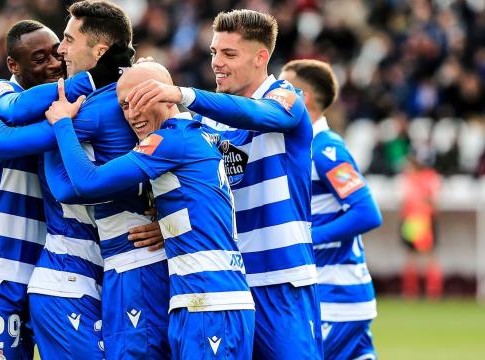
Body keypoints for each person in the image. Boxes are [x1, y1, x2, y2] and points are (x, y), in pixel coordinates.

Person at [0, 2, 170, 358]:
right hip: (77, 274)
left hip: (114, 269)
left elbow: (5, 136)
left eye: (67, 40)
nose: (61, 51)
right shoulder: (118, 97)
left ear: (99, 51)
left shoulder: (89, 108)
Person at [126, 9, 322, 359]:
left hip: (280, 279)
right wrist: (168, 226)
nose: (217, 62)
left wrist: (183, 94)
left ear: (261, 57)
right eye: (214, 52)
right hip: (227, 283)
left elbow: (256, 115)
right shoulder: (202, 121)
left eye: (229, 54)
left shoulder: (287, 98)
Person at [42, 61, 255, 359]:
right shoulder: (201, 134)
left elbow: (87, 183)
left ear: (166, 96)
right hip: (200, 298)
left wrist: (62, 124)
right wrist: (168, 227)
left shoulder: (170, 139)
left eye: (140, 101)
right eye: (124, 105)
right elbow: (202, 205)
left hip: (210, 301)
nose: (132, 114)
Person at [0, 19, 125, 359]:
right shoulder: (1, 93)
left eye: (56, 54)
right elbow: (1, 137)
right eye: (39, 59)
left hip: (34, 272)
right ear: (14, 65)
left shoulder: (62, 110)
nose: (54, 64)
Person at [279, 59, 382, 360]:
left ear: (302, 97)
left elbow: (367, 212)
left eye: (283, 87)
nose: (273, 93)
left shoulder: (325, 149)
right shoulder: (302, 146)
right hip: (335, 296)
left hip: (336, 296)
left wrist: (306, 237)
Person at [399, 152, 443, 299]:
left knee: (420, 255)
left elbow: (432, 200)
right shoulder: (426, 177)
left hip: (421, 219)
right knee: (418, 255)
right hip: (416, 219)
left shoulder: (424, 178)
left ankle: (425, 290)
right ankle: (420, 290)